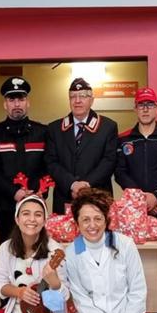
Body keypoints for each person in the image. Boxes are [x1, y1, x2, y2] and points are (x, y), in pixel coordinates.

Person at [66, 189, 147, 313]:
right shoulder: (72, 251)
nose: (92, 225)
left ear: (106, 220)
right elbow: (82, 301)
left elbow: (138, 292)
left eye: (98, 219)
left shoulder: (124, 244)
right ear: (77, 223)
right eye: (86, 220)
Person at [0, 77, 50, 243]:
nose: (16, 104)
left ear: (28, 102)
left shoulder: (42, 132)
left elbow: (48, 166)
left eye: (21, 99)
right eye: (11, 100)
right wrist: (15, 192)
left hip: (35, 204)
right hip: (5, 206)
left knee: (37, 250)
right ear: (5, 104)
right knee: (7, 249)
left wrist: (36, 192)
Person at [45, 78, 118, 214]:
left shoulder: (108, 127)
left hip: (98, 196)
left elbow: (109, 161)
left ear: (92, 100)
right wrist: (72, 184)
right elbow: (51, 162)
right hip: (65, 197)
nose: (77, 101)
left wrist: (86, 185)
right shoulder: (54, 128)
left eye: (83, 96)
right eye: (73, 97)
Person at [115, 87, 157, 226]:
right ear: (135, 109)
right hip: (134, 208)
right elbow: (119, 172)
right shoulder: (123, 139)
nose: (145, 109)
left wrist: (156, 196)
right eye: (141, 105)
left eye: (150, 105)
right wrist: (141, 200)